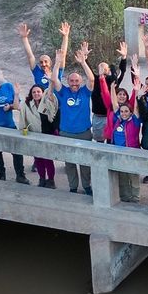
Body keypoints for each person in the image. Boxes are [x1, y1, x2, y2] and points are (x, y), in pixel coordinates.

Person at [47, 25, 95, 195]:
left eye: (76, 81)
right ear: (68, 82)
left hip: (84, 132)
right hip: (67, 132)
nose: (74, 83)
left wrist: (83, 62)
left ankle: (87, 186)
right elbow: (53, 79)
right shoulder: (63, 92)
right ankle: (73, 187)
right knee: (70, 163)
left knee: (85, 163)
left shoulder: (85, 92)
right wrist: (58, 62)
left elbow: (91, 78)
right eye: (72, 81)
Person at [99, 64, 141, 202]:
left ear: (130, 112)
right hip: (118, 151)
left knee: (133, 174)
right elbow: (114, 103)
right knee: (122, 175)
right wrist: (111, 88)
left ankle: (135, 196)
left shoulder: (134, 121)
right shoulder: (117, 118)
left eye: (126, 111)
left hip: (132, 151)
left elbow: (135, 105)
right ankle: (124, 196)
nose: (123, 113)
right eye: (122, 111)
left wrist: (136, 89)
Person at [18, 82, 58, 188]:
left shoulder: (48, 102)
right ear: (31, 94)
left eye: (38, 91)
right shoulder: (26, 105)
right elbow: (22, 119)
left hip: (48, 135)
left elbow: (53, 102)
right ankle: (42, 179)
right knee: (38, 159)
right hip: (34, 135)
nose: (36, 94)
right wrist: (23, 132)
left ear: (42, 93)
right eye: (34, 92)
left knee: (48, 160)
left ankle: (51, 180)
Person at [89, 42, 130, 142]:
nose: (102, 69)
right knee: (99, 142)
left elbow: (122, 71)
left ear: (108, 70)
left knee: (111, 140)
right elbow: (88, 70)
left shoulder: (113, 82)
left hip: (111, 116)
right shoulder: (94, 80)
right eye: (100, 67)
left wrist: (124, 57)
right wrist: (85, 59)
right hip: (98, 117)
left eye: (104, 68)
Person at [16, 22, 68, 92]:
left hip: (55, 101)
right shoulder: (37, 72)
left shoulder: (57, 72)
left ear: (50, 63)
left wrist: (65, 37)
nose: (43, 64)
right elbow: (30, 56)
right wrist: (24, 38)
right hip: (41, 101)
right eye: (41, 62)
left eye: (46, 61)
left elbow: (62, 55)